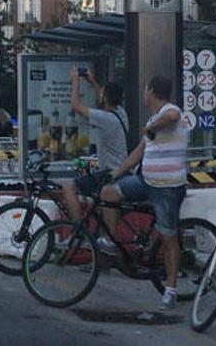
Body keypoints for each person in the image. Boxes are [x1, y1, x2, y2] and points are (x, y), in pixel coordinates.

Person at [102, 76, 188, 311]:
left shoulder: (171, 111)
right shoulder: (152, 119)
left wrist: (152, 128)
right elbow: (139, 152)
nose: (144, 94)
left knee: (169, 237)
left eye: (145, 89)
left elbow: (172, 118)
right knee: (109, 193)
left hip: (168, 186)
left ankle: (170, 290)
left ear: (150, 91)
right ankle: (111, 241)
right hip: (146, 180)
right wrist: (117, 173)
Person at [59, 68, 128, 222]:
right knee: (94, 203)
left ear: (105, 98)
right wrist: (92, 82)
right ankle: (96, 235)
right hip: (120, 171)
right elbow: (102, 97)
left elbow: (76, 106)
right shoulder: (121, 113)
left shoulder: (105, 119)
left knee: (69, 187)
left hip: (109, 173)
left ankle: (78, 230)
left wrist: (75, 80)